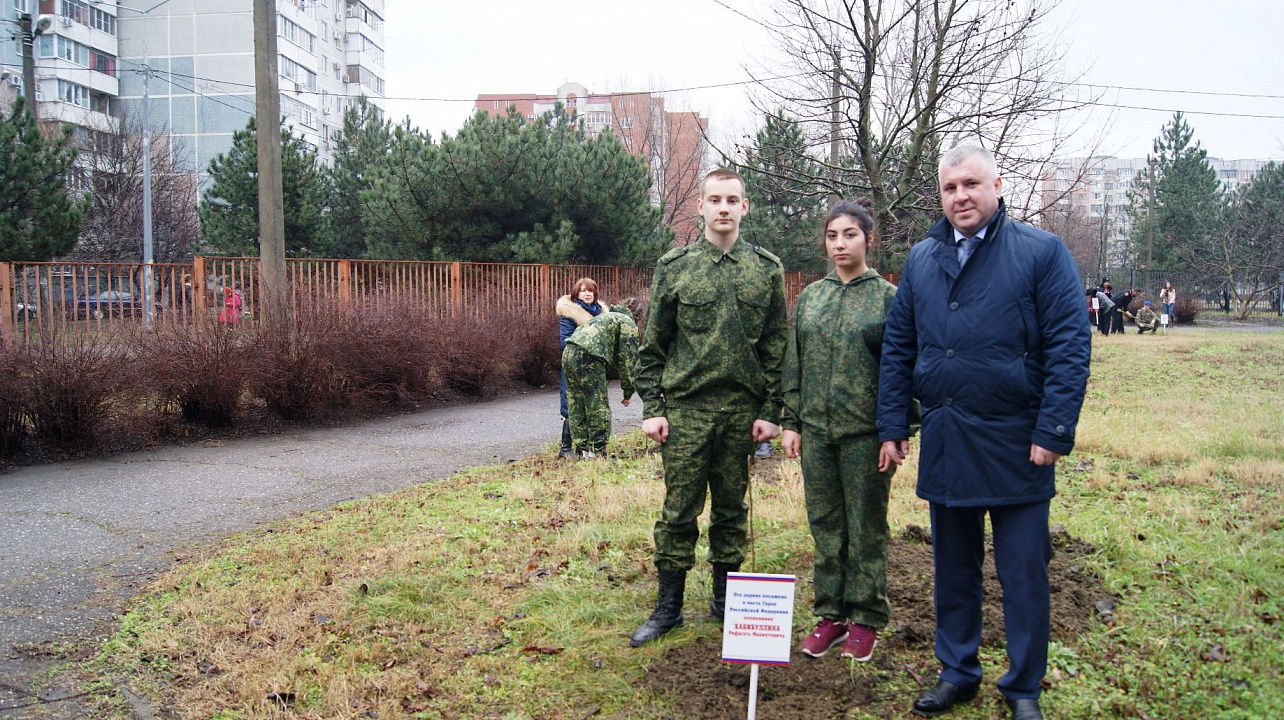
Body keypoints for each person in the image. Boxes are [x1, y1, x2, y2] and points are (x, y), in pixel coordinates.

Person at [877, 145, 1090, 720]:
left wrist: (1054, 428)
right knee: (953, 569)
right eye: (949, 188)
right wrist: (894, 424)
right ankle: (958, 671)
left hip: (1019, 441)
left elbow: (1070, 347)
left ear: (996, 185)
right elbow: (900, 347)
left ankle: (1023, 687)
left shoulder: (1042, 253)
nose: (960, 197)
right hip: (947, 436)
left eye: (971, 184)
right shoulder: (922, 259)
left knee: (1022, 573)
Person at [630, 168, 788, 647]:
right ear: (699, 207)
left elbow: (778, 348)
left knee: (731, 510)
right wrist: (653, 408)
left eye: (732, 200)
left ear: (745, 207)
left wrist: (771, 411)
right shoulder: (674, 267)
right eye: (714, 199)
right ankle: (668, 609)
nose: (723, 208)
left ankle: (727, 606)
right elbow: (652, 346)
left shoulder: (766, 269)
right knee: (678, 510)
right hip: (686, 412)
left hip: (742, 411)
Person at [780, 199, 898, 662]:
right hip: (817, 434)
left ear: (869, 239)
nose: (840, 243)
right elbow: (795, 362)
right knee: (826, 526)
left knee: (865, 527)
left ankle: (866, 617)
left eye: (850, 234)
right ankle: (830, 615)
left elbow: (900, 370)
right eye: (832, 235)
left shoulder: (887, 298)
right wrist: (791, 421)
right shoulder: (812, 297)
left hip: (866, 435)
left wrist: (895, 429)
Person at [562, 301, 640, 458]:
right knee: (596, 405)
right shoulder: (627, 322)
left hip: (569, 353)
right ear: (637, 315)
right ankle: (597, 452)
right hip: (589, 356)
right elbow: (627, 362)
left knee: (577, 404)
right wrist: (628, 392)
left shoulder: (606, 317)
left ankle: (584, 451)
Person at [557, 279, 608, 459]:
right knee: (571, 404)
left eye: (590, 291)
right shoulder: (570, 314)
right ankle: (565, 448)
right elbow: (565, 341)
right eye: (583, 291)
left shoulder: (602, 315)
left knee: (592, 407)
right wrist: (588, 347)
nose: (587, 294)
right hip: (574, 366)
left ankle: (584, 447)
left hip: (594, 369)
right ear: (576, 294)